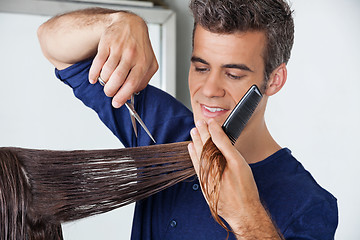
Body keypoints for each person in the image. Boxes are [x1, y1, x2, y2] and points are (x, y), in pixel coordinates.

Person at [37, 0, 338, 239]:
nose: (209, 90)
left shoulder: (309, 204)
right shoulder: (160, 130)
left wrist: (247, 219)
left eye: (233, 74)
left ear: (274, 80)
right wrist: (116, 22)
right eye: (201, 68)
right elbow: (53, 44)